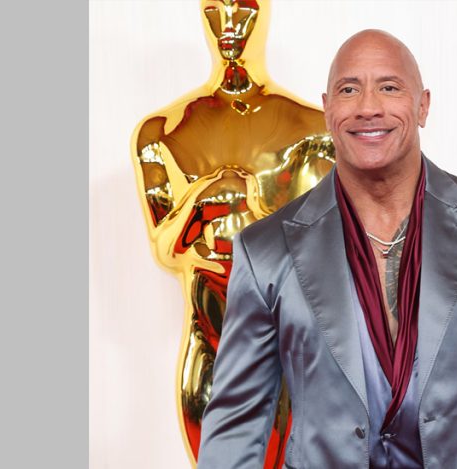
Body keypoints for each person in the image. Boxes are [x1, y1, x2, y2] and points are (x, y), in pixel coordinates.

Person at [198, 29, 457, 468]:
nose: (368, 107)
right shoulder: (265, 251)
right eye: (349, 90)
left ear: (423, 105)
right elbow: (236, 426)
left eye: (389, 88)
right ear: (327, 109)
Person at [130, 0, 333, 463]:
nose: (227, 24)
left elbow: (325, 253)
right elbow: (165, 250)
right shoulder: (160, 133)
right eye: (213, 10)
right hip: (208, 336)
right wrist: (201, 203)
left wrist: (254, 206)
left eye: (242, 9)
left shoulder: (313, 132)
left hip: (285, 339)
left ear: (266, 13)